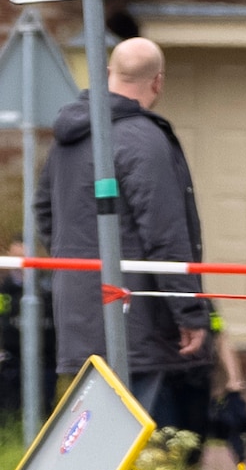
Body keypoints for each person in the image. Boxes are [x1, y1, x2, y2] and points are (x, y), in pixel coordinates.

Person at [34, 37, 211, 426]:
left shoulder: (67, 139)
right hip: (134, 314)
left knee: (91, 430)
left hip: (78, 311)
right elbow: (164, 235)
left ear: (109, 73)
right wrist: (190, 313)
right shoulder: (144, 140)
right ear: (157, 81)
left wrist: (78, 268)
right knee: (120, 437)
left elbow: (45, 212)